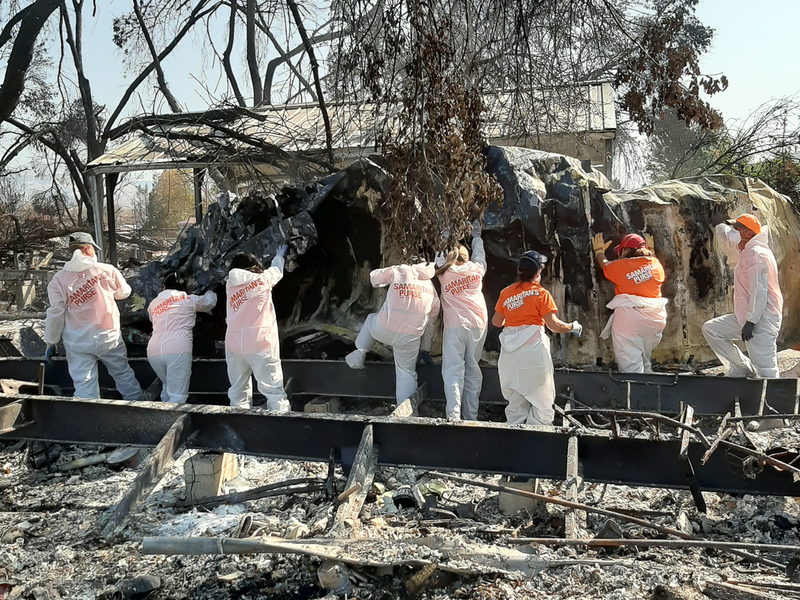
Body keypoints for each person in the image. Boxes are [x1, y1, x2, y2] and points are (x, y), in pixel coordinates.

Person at [44, 232, 142, 400]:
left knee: (84, 385)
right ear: (88, 249)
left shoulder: (58, 280)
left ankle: (90, 419)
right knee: (122, 374)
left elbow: (56, 313)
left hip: (78, 342)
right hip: (108, 337)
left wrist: (51, 340)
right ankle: (141, 410)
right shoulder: (107, 270)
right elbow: (124, 292)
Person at [492, 251, 582, 425]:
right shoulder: (542, 294)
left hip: (510, 355)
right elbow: (553, 325)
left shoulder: (506, 293)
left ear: (519, 270)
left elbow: (497, 322)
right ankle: (536, 440)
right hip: (533, 353)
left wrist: (514, 315)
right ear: (538, 272)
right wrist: (572, 326)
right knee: (543, 404)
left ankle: (514, 437)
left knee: (515, 403)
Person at [345, 261, 440, 405]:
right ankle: (405, 411)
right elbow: (430, 323)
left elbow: (374, 279)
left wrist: (391, 271)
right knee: (406, 372)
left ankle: (360, 352)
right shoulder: (430, 288)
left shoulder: (399, 271)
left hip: (384, 328)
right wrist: (425, 348)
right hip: (408, 339)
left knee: (371, 320)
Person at [702, 210, 783, 378]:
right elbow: (730, 237)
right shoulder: (748, 248)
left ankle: (776, 401)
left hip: (762, 319)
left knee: (766, 369)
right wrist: (718, 225)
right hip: (746, 316)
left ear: (748, 233)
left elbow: (759, 290)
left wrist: (751, 321)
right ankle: (742, 368)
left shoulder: (757, 255)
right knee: (712, 330)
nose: (734, 232)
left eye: (737, 229)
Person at [592, 232, 668, 373]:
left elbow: (605, 265)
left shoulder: (621, 265)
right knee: (645, 359)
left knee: (631, 368)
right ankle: (651, 388)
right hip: (655, 321)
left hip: (630, 321)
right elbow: (649, 264)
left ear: (625, 250)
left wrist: (599, 252)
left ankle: (636, 392)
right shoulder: (656, 264)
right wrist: (651, 252)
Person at [225, 247, 290, 410]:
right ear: (254, 267)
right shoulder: (262, 280)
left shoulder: (230, 284)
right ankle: (281, 424)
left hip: (234, 345)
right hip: (259, 342)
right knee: (273, 390)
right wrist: (279, 256)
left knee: (238, 391)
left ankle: (239, 424)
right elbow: (276, 271)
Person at [435, 220, 488, 421]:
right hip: (478, 324)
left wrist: (446, 232)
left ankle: (454, 415)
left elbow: (439, 252)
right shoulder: (476, 270)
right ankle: (471, 416)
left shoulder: (443, 271)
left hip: (455, 327)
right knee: (473, 369)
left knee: (453, 369)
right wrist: (476, 236)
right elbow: (480, 256)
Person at [146, 273, 217, 404]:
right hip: (177, 349)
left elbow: (152, 319)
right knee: (178, 395)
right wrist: (210, 291)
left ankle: (162, 419)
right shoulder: (187, 299)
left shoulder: (153, 304)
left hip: (153, 350)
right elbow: (209, 303)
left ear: (163, 288)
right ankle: (172, 421)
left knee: (167, 386)